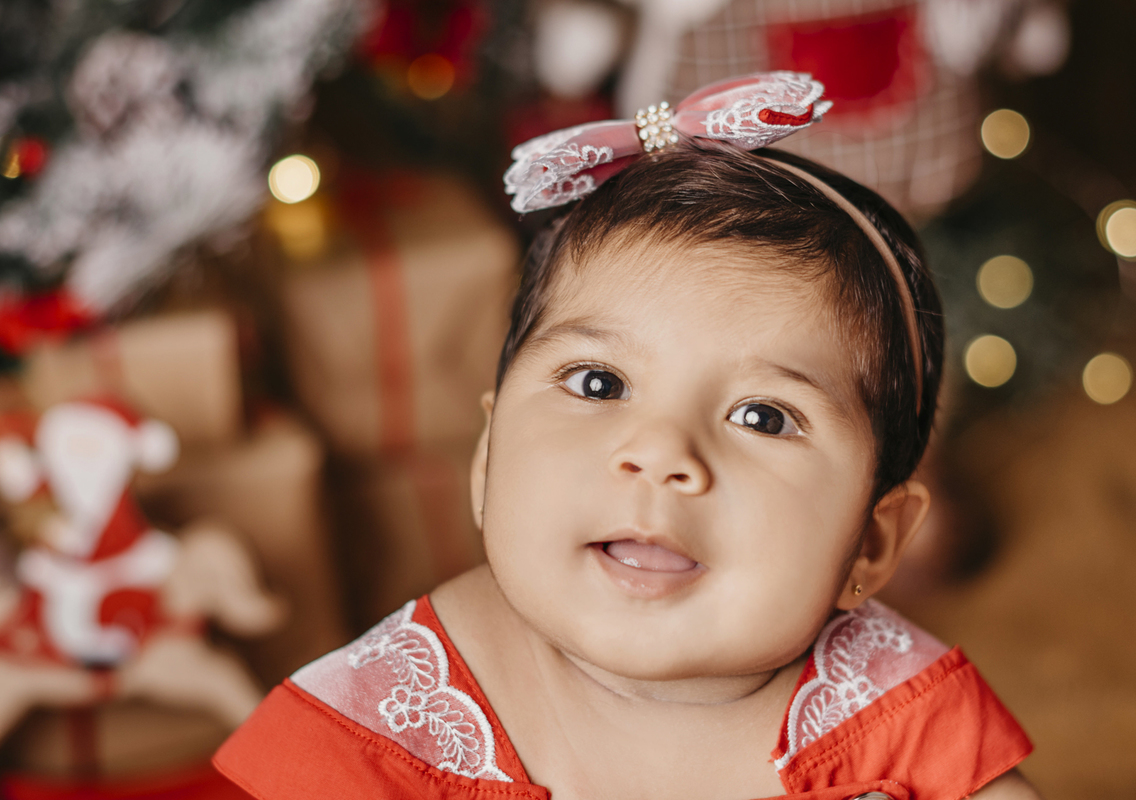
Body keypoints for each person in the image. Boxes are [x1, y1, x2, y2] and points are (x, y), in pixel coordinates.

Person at [213, 73, 1039, 800]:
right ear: (486, 458)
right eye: (598, 384)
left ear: (871, 542)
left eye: (762, 416)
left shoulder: (889, 713)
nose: (663, 455)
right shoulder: (389, 723)